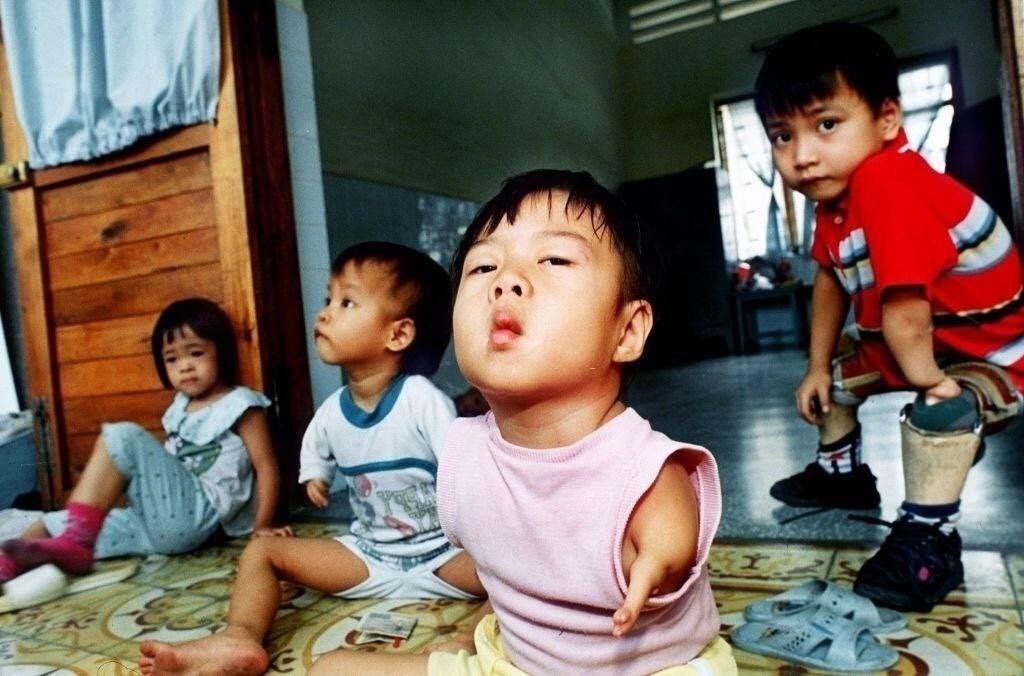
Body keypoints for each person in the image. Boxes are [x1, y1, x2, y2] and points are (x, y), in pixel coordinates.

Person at [309, 170, 736, 675]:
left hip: (645, 670)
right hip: (512, 665)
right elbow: (511, 565)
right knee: (331, 669)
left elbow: (670, 515)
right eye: (484, 266)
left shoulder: (639, 461)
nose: (505, 281)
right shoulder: (463, 449)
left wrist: (661, 555)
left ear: (626, 331)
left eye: (554, 259)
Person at [755, 22, 1024, 611]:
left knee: (942, 408)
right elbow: (830, 280)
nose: (801, 155)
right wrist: (817, 366)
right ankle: (840, 472)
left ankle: (930, 538)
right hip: (918, 339)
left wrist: (931, 383)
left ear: (887, 121)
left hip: (989, 353)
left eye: (827, 124)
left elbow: (906, 311)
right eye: (782, 135)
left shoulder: (888, 181)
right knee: (835, 383)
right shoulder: (834, 198)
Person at [139, 241, 486, 676]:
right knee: (264, 551)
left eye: (346, 302)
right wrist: (315, 476)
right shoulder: (332, 409)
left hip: (442, 555)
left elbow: (459, 462)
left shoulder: (421, 399)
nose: (324, 313)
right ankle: (239, 638)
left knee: (519, 569)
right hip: (370, 556)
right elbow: (316, 448)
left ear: (397, 334)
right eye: (328, 300)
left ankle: (467, 642)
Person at [0, 297, 284, 582]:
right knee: (48, 524)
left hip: (202, 518)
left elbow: (267, 467)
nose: (184, 366)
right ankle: (13, 569)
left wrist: (263, 525)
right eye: (172, 359)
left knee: (122, 435)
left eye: (195, 353)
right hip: (157, 526)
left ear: (221, 353)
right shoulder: (178, 410)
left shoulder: (240, 404)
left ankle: (76, 543)